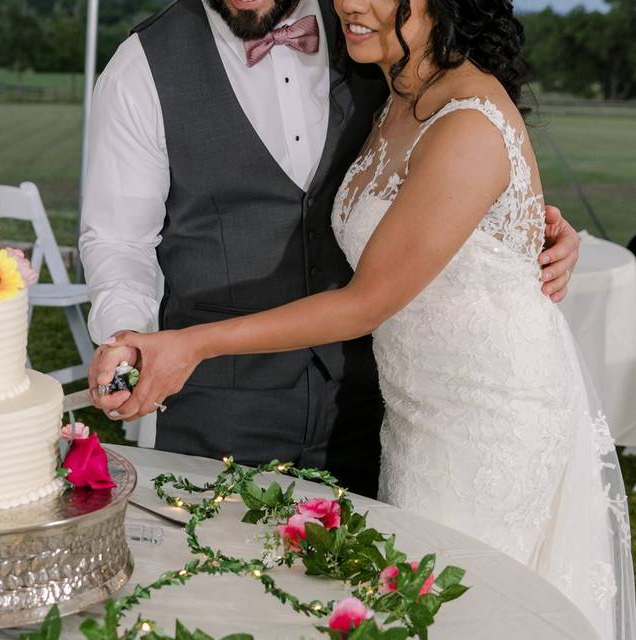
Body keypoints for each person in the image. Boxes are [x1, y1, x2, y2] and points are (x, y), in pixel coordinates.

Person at [104, 0, 636, 635]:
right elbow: (117, 239)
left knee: (454, 614)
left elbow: (372, 296)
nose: (352, 3)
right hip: (387, 414)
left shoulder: (435, 95)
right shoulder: (394, 82)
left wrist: (190, 343)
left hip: (481, 423)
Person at [80, 0, 580, 500]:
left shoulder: (369, 28)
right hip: (222, 405)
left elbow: (464, 147)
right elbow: (118, 240)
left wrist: (513, 229)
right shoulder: (142, 66)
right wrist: (128, 338)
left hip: (373, 401)